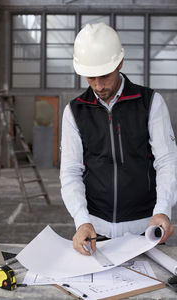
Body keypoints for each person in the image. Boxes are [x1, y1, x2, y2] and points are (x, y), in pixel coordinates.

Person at [60, 23, 177, 256]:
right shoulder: (74, 111)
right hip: (95, 229)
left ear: (120, 63)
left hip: (146, 227)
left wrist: (163, 210)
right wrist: (81, 221)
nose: (99, 85)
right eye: (91, 77)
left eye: (104, 75)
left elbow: (166, 161)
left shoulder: (150, 103)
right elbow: (70, 172)